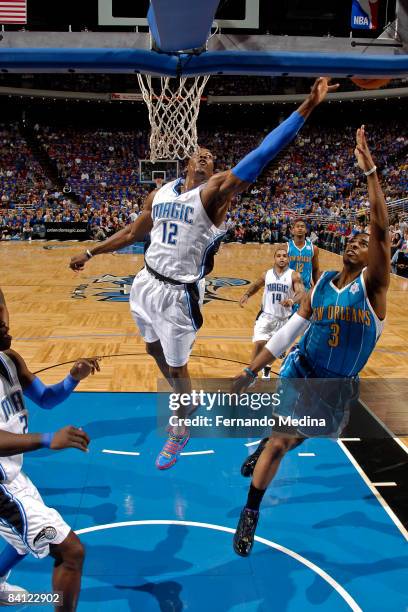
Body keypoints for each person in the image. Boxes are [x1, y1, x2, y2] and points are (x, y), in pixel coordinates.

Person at [69, 78, 338, 470]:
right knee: (149, 348)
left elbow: (263, 153)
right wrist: (91, 251)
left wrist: (308, 107)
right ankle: (187, 398)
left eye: (212, 156)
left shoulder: (213, 195)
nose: (205, 156)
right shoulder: (159, 193)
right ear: (186, 161)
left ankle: (182, 423)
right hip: (144, 283)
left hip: (178, 294)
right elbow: (131, 232)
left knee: (178, 368)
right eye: (200, 152)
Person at [231, 125, 390, 556]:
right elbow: (287, 333)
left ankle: (266, 443)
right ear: (343, 249)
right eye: (352, 240)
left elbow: (380, 228)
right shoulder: (318, 287)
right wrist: (249, 368)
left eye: (365, 242)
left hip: (338, 386)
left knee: (301, 435)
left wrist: (370, 170)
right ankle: (250, 513)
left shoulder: (373, 288)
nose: (359, 243)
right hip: (303, 370)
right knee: (284, 439)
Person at [0, 318, 100, 610]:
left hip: (11, 474)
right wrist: (47, 438)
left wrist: (73, 378)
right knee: (71, 552)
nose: (6, 325)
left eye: (3, 315)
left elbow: (45, 399)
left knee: (22, 540)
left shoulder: (9, 360)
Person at [239, 247, 304, 379]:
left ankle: (267, 367)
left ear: (288, 259)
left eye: (284, 256)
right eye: (279, 256)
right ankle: (251, 375)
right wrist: (247, 294)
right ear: (274, 258)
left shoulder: (294, 275)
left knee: (274, 350)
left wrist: (292, 300)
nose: (281, 258)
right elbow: (256, 285)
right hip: (265, 316)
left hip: (283, 320)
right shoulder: (266, 274)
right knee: (259, 343)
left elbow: (301, 292)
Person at [287, 218, 320, 292]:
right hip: (288, 289)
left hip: (306, 289)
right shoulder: (286, 247)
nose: (300, 228)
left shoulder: (313, 248)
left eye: (302, 226)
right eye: (297, 226)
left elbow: (316, 269)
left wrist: (317, 288)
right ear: (293, 230)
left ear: (306, 230)